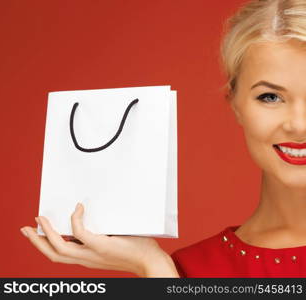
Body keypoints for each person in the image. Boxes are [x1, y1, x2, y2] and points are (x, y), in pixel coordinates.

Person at [20, 0, 306, 277]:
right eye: (270, 97)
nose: (298, 124)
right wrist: (150, 267)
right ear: (236, 105)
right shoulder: (185, 271)